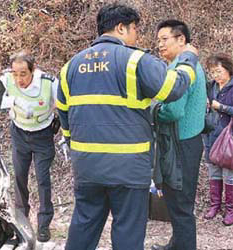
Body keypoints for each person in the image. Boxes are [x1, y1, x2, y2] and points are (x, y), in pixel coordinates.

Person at [57, 4, 199, 250]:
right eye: (134, 29)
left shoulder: (70, 67)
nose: (136, 36)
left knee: (83, 226)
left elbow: (64, 117)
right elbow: (173, 88)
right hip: (128, 169)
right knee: (128, 233)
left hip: (87, 167)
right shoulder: (135, 60)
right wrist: (188, 58)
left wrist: (79, 149)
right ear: (121, 28)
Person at [151, 20, 207, 250]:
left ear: (181, 39)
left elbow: (174, 110)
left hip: (181, 144)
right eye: (158, 41)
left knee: (181, 204)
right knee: (177, 201)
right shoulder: (183, 65)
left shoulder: (181, 69)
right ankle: (176, 244)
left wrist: (153, 111)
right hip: (187, 141)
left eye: (165, 39)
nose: (160, 45)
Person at [0, 50, 58, 242]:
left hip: (42, 134)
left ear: (33, 70)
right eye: (15, 73)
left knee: (42, 179)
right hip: (19, 134)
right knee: (19, 177)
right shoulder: (7, 80)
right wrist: (14, 100)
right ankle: (21, 222)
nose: (18, 78)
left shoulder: (48, 83)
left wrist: (65, 130)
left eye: (23, 73)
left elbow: (64, 106)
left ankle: (44, 224)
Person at [203, 53, 233, 226]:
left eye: (219, 71)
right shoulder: (210, 86)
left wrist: (221, 107)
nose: (216, 75)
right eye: (213, 72)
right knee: (213, 172)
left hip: (228, 136)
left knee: (229, 174)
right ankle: (215, 206)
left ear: (228, 69)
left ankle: (230, 210)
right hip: (210, 134)